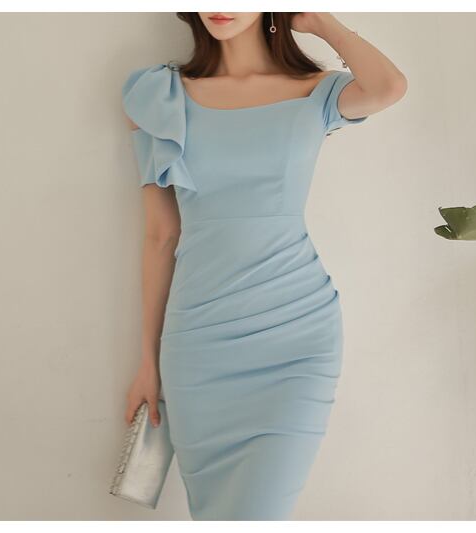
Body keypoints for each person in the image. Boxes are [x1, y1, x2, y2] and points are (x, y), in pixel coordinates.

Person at [121, 12, 407, 520]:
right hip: (200, 347)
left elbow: (389, 87)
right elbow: (161, 235)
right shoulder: (161, 98)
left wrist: (320, 22)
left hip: (295, 341)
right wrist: (148, 360)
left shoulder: (314, 92)